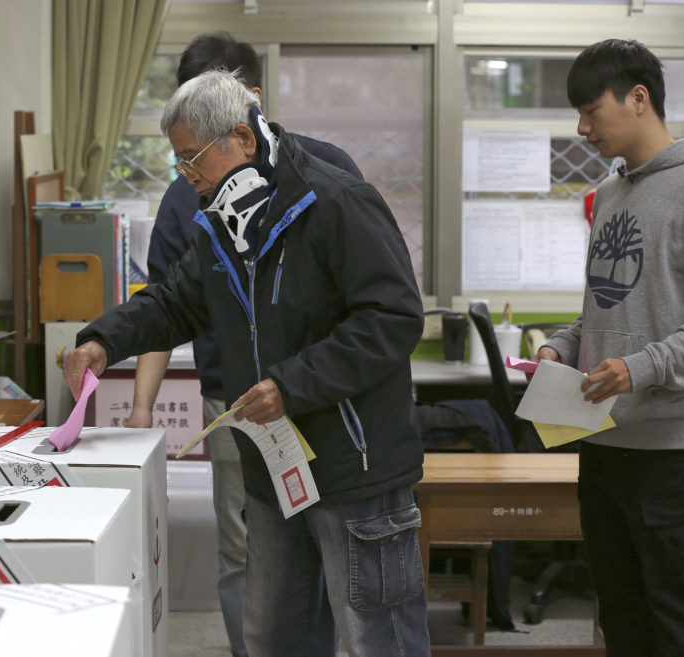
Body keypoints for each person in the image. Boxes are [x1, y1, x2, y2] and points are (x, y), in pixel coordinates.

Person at [65, 70, 429, 657]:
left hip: (355, 470)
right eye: (180, 164)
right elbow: (175, 301)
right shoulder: (221, 227)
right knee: (274, 639)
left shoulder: (337, 202)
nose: (190, 179)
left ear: (242, 137)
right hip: (276, 473)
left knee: (376, 640)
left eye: (193, 160)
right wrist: (102, 342)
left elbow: (392, 319)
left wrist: (290, 384)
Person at [126, 32, 363, 657]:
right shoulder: (188, 197)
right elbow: (165, 305)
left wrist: (308, 379)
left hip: (320, 398)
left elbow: (375, 306)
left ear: (251, 106)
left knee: (331, 541)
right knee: (250, 548)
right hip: (232, 401)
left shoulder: (326, 173)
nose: (192, 167)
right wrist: (141, 412)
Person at [534, 39, 684, 656]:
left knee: (677, 623)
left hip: (670, 454)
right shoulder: (610, 193)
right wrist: (558, 347)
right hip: (602, 446)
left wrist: (641, 368)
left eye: (590, 110)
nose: (582, 128)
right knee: (622, 622)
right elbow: (603, 309)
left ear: (639, 98)